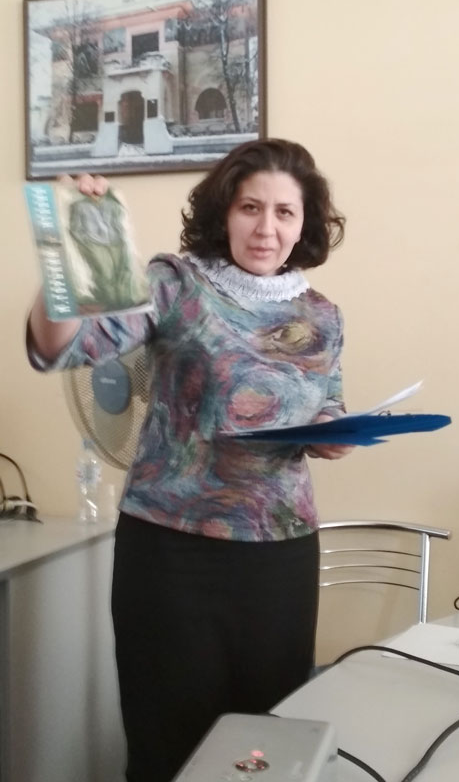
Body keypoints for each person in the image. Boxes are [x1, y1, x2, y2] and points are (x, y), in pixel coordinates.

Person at [27, 138, 354, 782]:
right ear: (223, 212)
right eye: (250, 207)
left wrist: (334, 433)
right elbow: (60, 347)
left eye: (284, 212)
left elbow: (328, 404)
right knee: (167, 742)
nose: (266, 228)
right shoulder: (174, 284)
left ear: (305, 224)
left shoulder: (322, 315)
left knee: (267, 745)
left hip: (280, 554)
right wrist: (63, 250)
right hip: (172, 554)